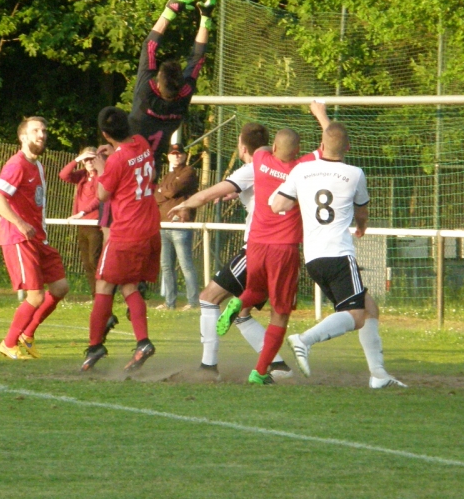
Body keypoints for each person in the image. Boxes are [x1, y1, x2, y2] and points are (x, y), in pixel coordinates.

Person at [272, 122, 406, 388]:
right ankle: (304, 340)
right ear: (348, 147)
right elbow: (362, 212)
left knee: (369, 308)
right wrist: (361, 227)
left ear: (320, 146)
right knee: (356, 316)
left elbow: (278, 205)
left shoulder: (302, 170)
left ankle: (378, 375)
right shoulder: (355, 173)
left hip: (312, 258)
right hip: (339, 254)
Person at [169, 122, 290, 377]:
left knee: (208, 297)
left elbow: (207, 194)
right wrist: (239, 195)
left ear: (241, 146)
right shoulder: (282, 167)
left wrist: (185, 206)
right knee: (243, 313)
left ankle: (208, 366)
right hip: (284, 251)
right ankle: (277, 365)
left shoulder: (251, 169)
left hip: (257, 249)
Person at [215, 128, 309, 385]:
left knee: (256, 288)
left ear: (274, 148)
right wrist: (322, 118)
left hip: (256, 244)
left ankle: (238, 302)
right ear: (297, 151)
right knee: (280, 313)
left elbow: (261, 150)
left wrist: (271, 151)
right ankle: (259, 372)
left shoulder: (261, 161)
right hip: (283, 248)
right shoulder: (302, 168)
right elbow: (328, 151)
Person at [81, 106, 161, 372]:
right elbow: (129, 159)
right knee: (129, 285)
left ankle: (95, 346)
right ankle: (142, 342)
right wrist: (113, 154)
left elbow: (103, 194)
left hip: (126, 231)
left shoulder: (114, 161)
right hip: (149, 228)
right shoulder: (141, 143)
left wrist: (103, 164)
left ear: (105, 133)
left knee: (103, 284)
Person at [0, 117, 70, 359]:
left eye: (44, 130)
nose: (41, 135)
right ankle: (9, 343)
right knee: (35, 296)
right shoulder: (17, 165)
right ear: (23, 137)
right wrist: (21, 224)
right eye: (35, 131)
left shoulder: (38, 166)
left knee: (60, 287)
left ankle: (28, 333)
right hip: (19, 238)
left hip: (37, 239)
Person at [129, 0, 216, 166]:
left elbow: (149, 47)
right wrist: (206, 18)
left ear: (158, 85)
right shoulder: (182, 98)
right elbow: (197, 58)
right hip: (150, 174)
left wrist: (171, 9)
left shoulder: (147, 92)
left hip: (127, 170)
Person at [154, 143, 200, 310]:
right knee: (166, 265)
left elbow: (172, 192)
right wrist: (163, 191)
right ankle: (169, 302)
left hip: (181, 225)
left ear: (185, 155)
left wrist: (162, 191)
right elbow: (156, 197)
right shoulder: (168, 175)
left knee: (185, 264)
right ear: (168, 156)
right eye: (173, 154)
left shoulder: (189, 172)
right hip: (164, 225)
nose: (176, 156)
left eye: (179, 153)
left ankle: (193, 302)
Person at [59, 147, 103, 281]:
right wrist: (76, 160)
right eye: (86, 159)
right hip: (81, 224)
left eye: (92, 159)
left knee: (94, 259)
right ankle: (94, 294)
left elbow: (99, 198)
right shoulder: (82, 174)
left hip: (94, 224)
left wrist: (82, 212)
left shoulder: (101, 175)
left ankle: (103, 292)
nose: (89, 162)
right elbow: (63, 175)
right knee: (87, 263)